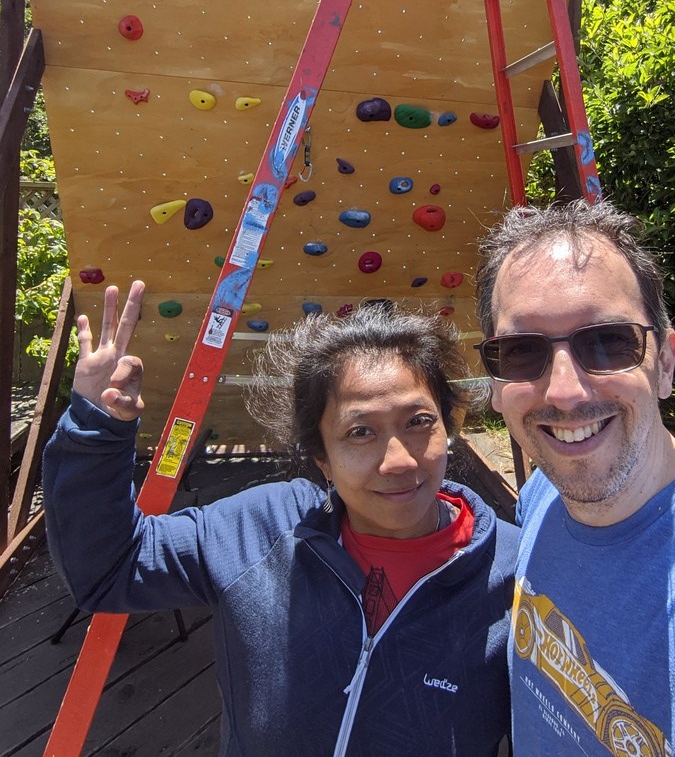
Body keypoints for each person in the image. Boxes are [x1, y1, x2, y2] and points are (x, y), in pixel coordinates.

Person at [43, 282, 518, 757]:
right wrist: (94, 429)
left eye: (418, 421)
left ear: (447, 425)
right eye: (360, 432)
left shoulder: (518, 572)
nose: (399, 461)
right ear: (322, 457)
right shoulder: (257, 532)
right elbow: (110, 568)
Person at [474, 199, 675, 757]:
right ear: (498, 383)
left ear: (665, 363)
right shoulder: (543, 496)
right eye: (523, 352)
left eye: (607, 342)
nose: (565, 392)